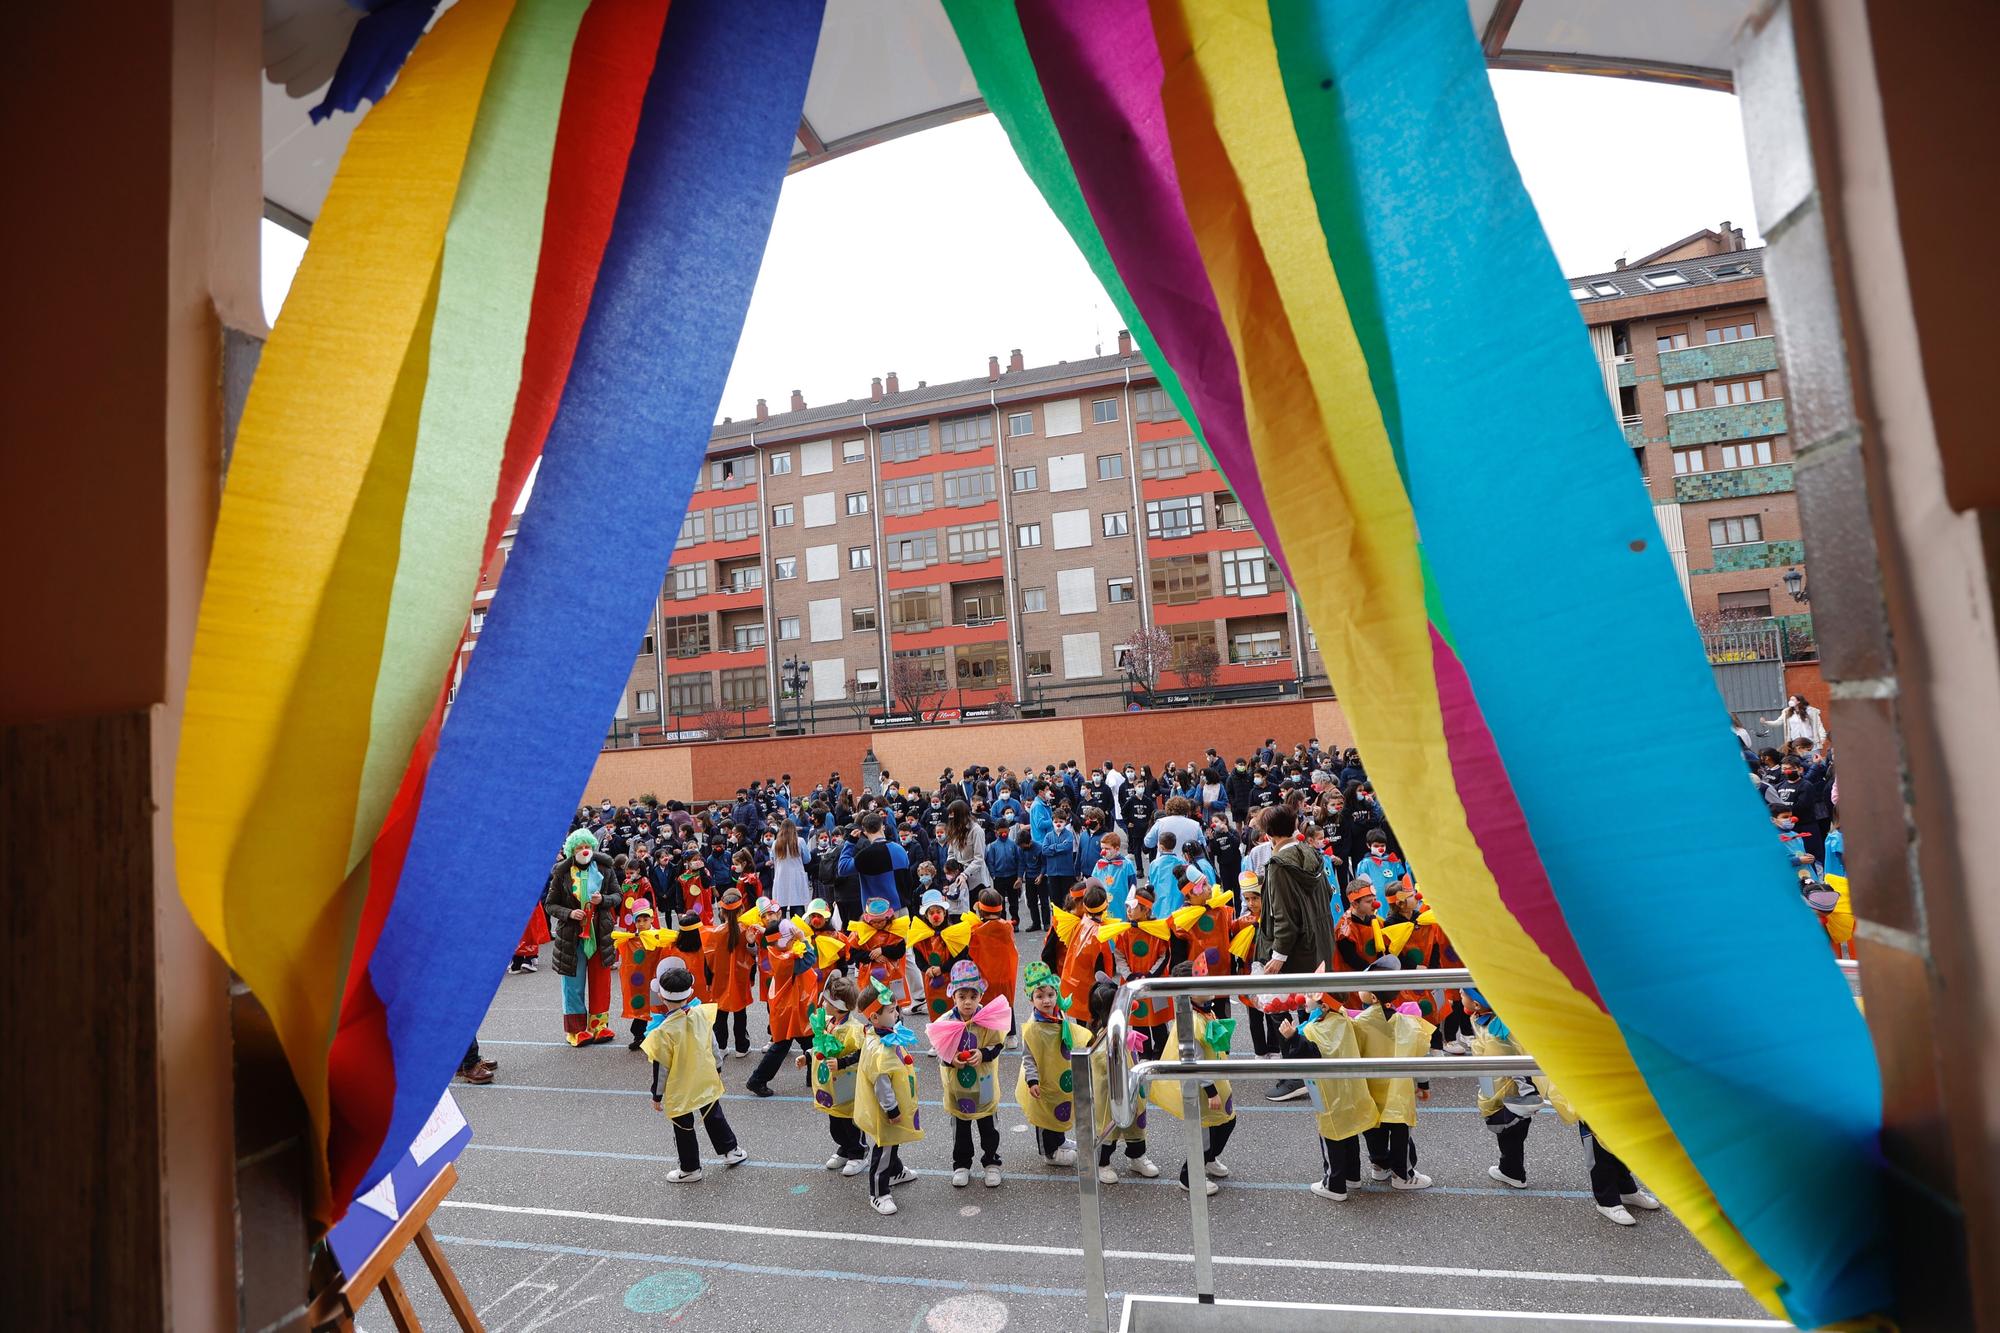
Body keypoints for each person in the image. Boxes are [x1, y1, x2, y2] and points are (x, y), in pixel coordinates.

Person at [643, 962, 747, 1182]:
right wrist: (717, 1068)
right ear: (690, 993)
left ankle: (690, 1168)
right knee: (713, 1113)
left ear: (661, 998)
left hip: (680, 1086)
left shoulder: (663, 1032)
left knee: (683, 1124)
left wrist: (656, 1095)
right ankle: (731, 1151)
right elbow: (714, 1044)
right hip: (704, 1076)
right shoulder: (701, 1014)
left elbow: (661, 1067)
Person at [1145, 961, 1236, 1196]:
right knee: (1206, 1130)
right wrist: (1212, 1091)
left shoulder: (1204, 1010)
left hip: (1214, 1079)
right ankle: (1190, 1175)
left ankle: (1209, 1158)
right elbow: (1194, 1062)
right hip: (1203, 1087)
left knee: (1226, 1122)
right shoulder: (1192, 1022)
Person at [931, 960, 1011, 1188]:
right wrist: (951, 1058)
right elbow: (939, 1051)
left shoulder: (988, 1018)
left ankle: (992, 1162)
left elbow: (998, 1044)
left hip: (983, 1085)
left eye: (973, 996)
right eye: (962, 996)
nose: (967, 1002)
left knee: (989, 1128)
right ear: (953, 997)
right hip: (958, 1088)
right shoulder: (946, 1022)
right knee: (961, 1130)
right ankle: (961, 1164)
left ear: (980, 996)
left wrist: (983, 1054)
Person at [1294, 995, 1377, 1201]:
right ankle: (1352, 1176)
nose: (1305, 997)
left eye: (1311, 995)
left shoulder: (1314, 1029)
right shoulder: (1344, 1020)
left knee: (1332, 1136)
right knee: (1350, 1132)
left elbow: (1305, 1055)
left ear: (1323, 1006)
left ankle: (1334, 1185)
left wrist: (1290, 1037)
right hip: (1350, 1092)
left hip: (1329, 1094)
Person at [853, 980, 924, 1214]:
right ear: (874, 1017)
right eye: (892, 1011)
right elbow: (881, 1082)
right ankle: (878, 1192)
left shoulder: (887, 1033)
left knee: (894, 1141)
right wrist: (892, 1109)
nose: (897, 1014)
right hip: (887, 1108)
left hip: (898, 1102)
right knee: (885, 1146)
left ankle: (895, 1171)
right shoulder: (878, 1047)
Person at [547, 829, 620, 1047]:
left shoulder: (605, 869)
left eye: (587, 846)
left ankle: (598, 1025)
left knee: (601, 982)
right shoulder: (561, 873)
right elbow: (550, 904)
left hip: (600, 934)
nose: (584, 851)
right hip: (572, 937)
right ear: (571, 851)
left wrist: (603, 899)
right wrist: (569, 913)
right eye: (579, 848)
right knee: (573, 984)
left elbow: (618, 895)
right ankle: (576, 1030)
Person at [1085, 980, 1161, 1184]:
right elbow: (1104, 1065)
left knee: (1136, 1126)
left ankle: (1137, 1156)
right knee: (1109, 1127)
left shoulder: (1122, 1027)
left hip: (1132, 1088)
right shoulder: (1102, 1038)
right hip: (1111, 1092)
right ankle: (1102, 1163)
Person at [1015, 962, 1084, 1167]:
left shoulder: (1059, 1013)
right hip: (1042, 1077)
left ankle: (1060, 1140)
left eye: (1050, 995)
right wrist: (1033, 1080)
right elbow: (1028, 1056)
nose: (1046, 1001)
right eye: (1040, 996)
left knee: (1059, 1107)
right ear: (1031, 999)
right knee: (1045, 1114)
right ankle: (1050, 1152)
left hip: (1060, 1073)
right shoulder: (1033, 1027)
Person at [801, 974, 869, 1176]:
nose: (823, 1004)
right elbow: (820, 1045)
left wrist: (842, 1062)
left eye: (827, 1001)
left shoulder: (853, 1029)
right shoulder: (829, 1022)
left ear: (839, 1006)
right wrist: (808, 1056)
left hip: (846, 1084)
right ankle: (844, 1148)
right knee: (835, 1121)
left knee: (849, 1120)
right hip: (830, 1084)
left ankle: (858, 1153)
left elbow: (860, 1054)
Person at [746, 916, 820, 1097]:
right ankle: (757, 1080)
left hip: (791, 1006)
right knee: (785, 1045)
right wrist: (803, 939)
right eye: (790, 937)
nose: (793, 939)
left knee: (809, 1039)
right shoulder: (786, 958)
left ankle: (813, 1076)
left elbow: (773, 938)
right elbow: (810, 959)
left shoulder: (775, 950)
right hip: (791, 1008)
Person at [1110, 883, 1174, 1060]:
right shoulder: (1125, 932)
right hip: (1133, 981)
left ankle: (1161, 1052)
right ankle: (1143, 1052)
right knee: (1139, 1019)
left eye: (1133, 908)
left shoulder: (1158, 930)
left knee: (1158, 1020)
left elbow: (1164, 955)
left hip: (1155, 982)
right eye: (1127, 908)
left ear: (1146, 910)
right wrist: (1129, 974)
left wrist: (1151, 975)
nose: (1128, 911)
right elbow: (1120, 955)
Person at [702, 886, 757, 1058]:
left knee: (720, 1013)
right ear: (742, 909)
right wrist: (752, 976)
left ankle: (722, 1046)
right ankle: (741, 1046)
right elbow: (752, 957)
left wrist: (709, 980)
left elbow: (708, 959)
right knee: (740, 1013)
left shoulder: (715, 933)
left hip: (719, 979)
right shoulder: (746, 931)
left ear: (722, 911)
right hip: (741, 978)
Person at [612, 901, 661, 1050]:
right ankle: (639, 1036)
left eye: (645, 920)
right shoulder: (631, 939)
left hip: (653, 980)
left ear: (652, 919)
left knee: (655, 1007)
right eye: (638, 921)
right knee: (639, 1007)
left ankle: (656, 1036)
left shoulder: (659, 936)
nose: (641, 924)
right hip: (638, 981)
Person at [770, 819, 810, 915]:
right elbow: (807, 859)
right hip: (796, 877)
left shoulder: (776, 843)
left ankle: (780, 929)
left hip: (781, 878)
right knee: (798, 907)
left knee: (780, 909)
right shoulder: (800, 841)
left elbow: (772, 859)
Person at [1763, 693, 1828, 748]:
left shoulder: (1810, 711)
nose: (1790, 701)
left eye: (1793, 699)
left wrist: (1822, 737)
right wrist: (1766, 722)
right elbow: (1777, 722)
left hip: (1810, 741)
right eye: (1790, 699)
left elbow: (1818, 725)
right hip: (1795, 742)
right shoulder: (1787, 712)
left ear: (1799, 701)